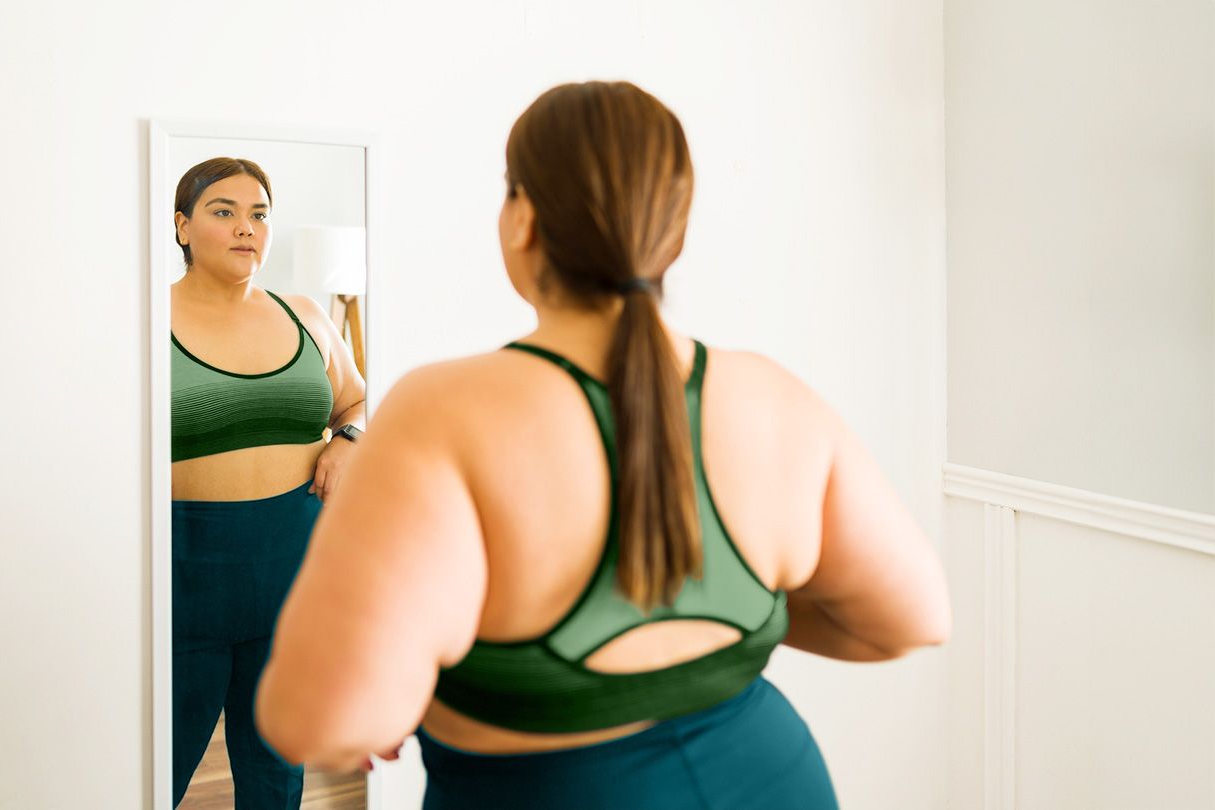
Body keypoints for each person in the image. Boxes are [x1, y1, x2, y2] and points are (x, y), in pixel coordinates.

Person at [255, 81, 950, 809]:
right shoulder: (772, 397)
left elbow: (319, 721)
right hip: (774, 780)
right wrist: (715, 622)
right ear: (671, 231)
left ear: (522, 218)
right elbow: (911, 620)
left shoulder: (441, 412)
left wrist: (417, 670)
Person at [169, 157, 367, 809]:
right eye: (222, 211)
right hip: (183, 573)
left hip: (291, 570)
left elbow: (358, 404)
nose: (245, 227)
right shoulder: (144, 320)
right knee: (159, 764)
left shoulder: (307, 314)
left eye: (258, 214)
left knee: (278, 769)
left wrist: (347, 442)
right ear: (182, 226)